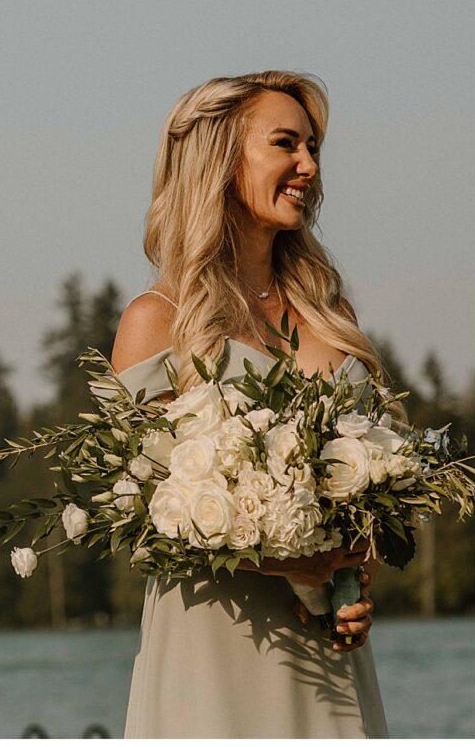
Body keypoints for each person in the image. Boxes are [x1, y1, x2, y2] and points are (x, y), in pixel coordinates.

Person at [111, 71, 388, 737]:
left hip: (328, 646)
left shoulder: (332, 315)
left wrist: (356, 578)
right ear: (222, 161)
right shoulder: (158, 320)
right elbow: (137, 523)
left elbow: (370, 497)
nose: (309, 166)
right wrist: (283, 561)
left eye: (314, 146)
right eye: (286, 144)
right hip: (214, 641)